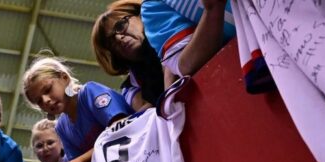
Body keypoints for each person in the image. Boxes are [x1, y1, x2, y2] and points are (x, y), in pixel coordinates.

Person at [91, 0, 234, 109]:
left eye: (120, 26)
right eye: (111, 43)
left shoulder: (160, 13)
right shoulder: (132, 87)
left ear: (138, 14)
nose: (119, 38)